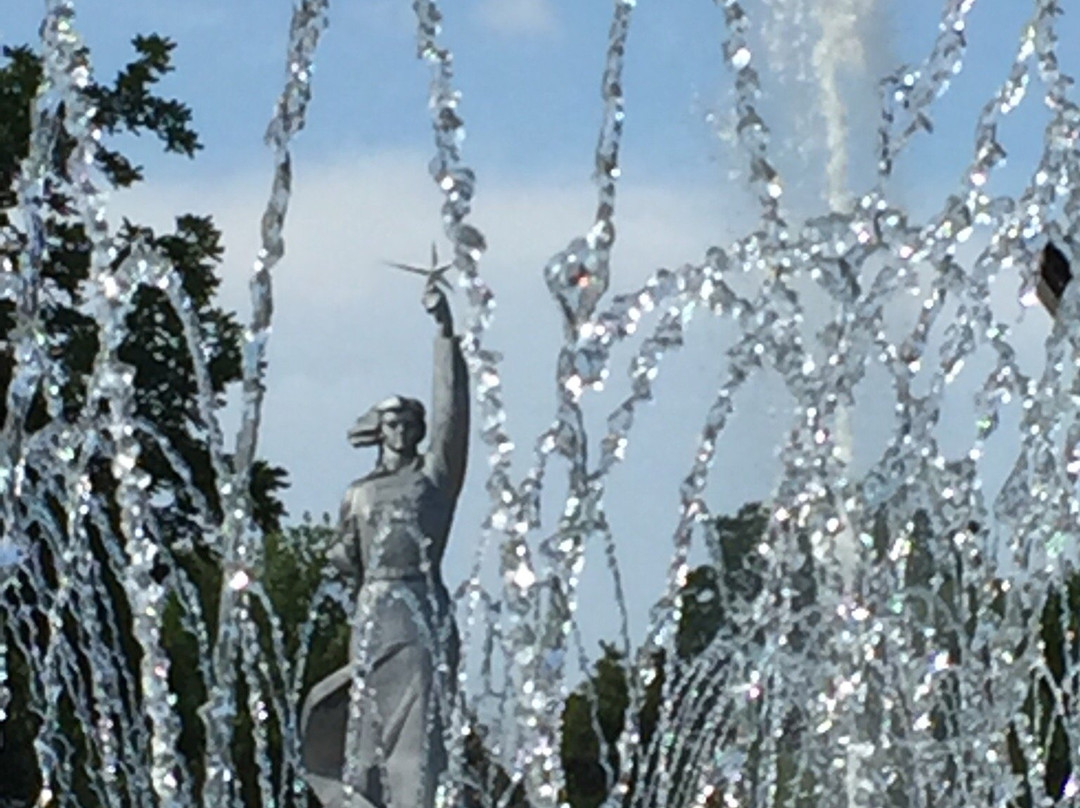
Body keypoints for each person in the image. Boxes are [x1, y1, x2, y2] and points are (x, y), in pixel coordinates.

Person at [301, 282, 468, 808]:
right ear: (380, 430)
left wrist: (444, 332)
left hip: (420, 608)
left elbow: (453, 417)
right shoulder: (358, 493)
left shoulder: (434, 479)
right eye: (394, 424)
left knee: (421, 740)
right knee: (366, 738)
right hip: (373, 612)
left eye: (411, 424)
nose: (403, 432)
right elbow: (346, 555)